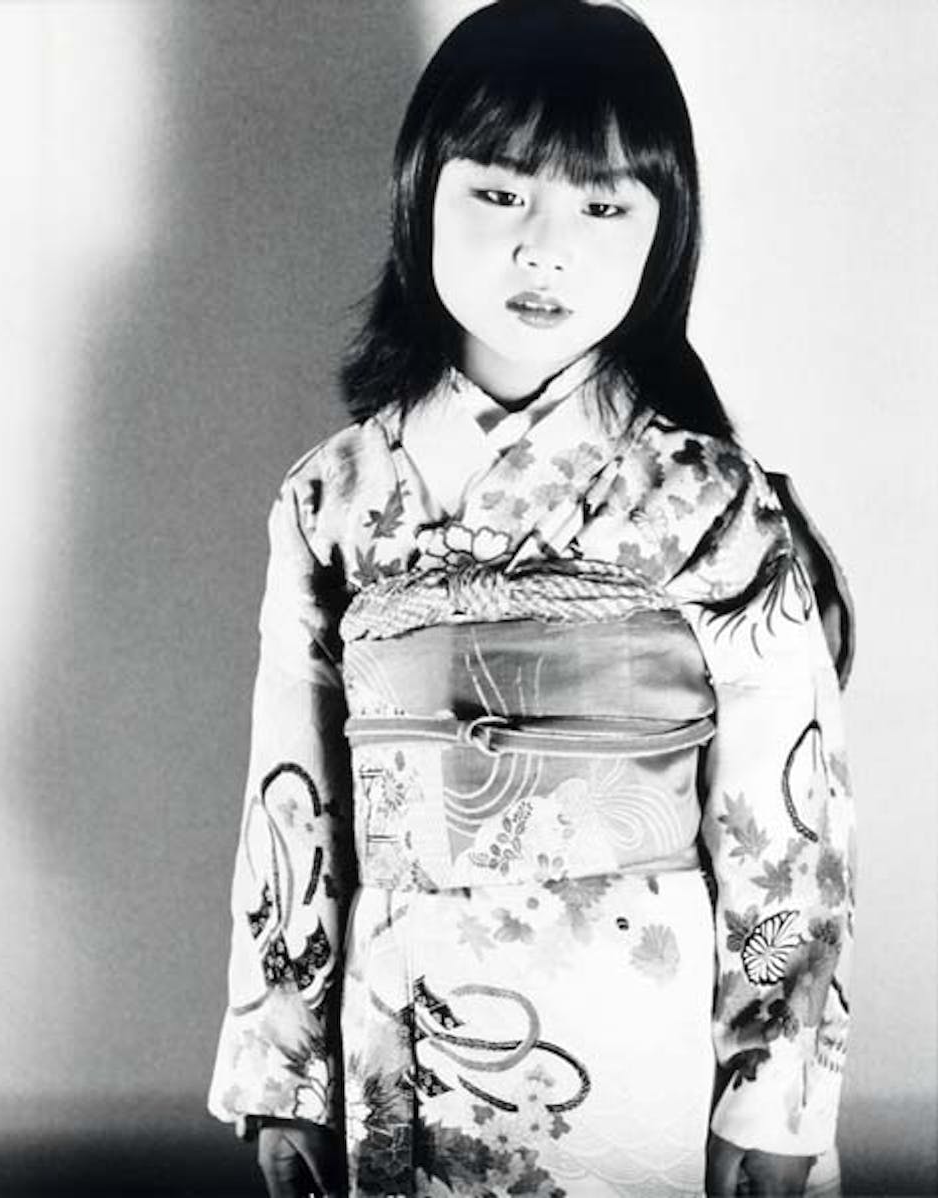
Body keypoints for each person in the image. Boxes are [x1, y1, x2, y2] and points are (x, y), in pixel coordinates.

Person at [207, 2, 856, 1195]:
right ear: (423, 195)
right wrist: (284, 1071)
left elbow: (787, 829)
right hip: (397, 1020)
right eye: (500, 194)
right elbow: (292, 805)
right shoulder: (332, 500)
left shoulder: (711, 502)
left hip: (636, 1025)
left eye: (603, 208)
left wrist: (774, 1089)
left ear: (664, 232)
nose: (545, 250)